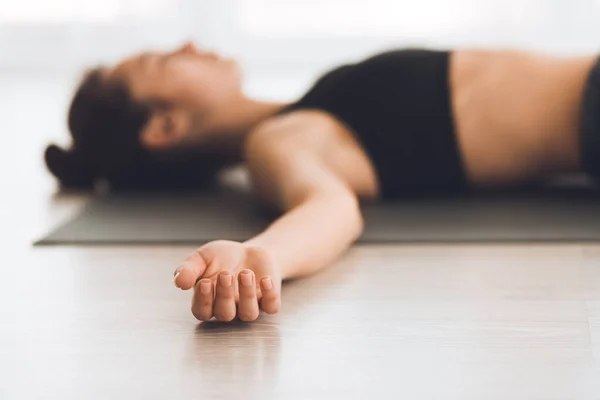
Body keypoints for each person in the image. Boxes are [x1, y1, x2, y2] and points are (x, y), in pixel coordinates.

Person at [45, 41, 600, 322]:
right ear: (164, 126)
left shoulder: (305, 108)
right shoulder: (282, 139)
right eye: (165, 60)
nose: (189, 44)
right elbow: (328, 206)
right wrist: (261, 257)